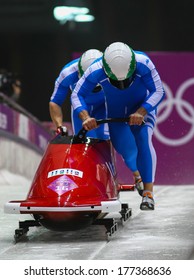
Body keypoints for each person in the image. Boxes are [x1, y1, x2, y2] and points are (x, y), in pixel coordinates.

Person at [71, 42, 165, 210]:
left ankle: (148, 193)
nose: (121, 84)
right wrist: (85, 117)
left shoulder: (144, 62)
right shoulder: (95, 69)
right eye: (116, 81)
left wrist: (142, 111)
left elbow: (158, 91)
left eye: (126, 79)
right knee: (126, 152)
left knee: (143, 138)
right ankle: (137, 176)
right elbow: (77, 95)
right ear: (106, 70)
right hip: (116, 113)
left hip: (141, 108)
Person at [49, 49, 109, 139]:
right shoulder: (67, 73)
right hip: (80, 108)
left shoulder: (112, 69)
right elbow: (55, 102)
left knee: (106, 139)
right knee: (83, 141)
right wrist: (59, 127)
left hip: (104, 106)